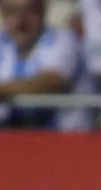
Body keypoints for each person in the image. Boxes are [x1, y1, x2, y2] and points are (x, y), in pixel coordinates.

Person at [0, 0, 82, 130]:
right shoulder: (3, 42)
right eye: (12, 11)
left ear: (43, 12)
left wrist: (4, 90)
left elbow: (49, 83)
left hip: (64, 140)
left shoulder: (63, 39)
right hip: (10, 139)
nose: (20, 21)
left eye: (29, 11)